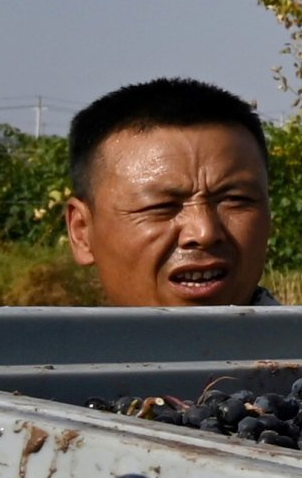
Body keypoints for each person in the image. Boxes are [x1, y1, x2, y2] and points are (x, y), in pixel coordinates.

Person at [60, 79, 278, 307]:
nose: (204, 232)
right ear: (81, 231)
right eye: (161, 206)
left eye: (235, 200)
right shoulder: (33, 342)